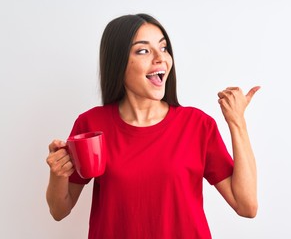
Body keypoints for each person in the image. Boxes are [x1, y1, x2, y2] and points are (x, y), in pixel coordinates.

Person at [46, 13, 260, 239]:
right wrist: (57, 174)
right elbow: (59, 210)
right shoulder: (91, 125)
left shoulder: (197, 125)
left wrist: (237, 122)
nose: (161, 58)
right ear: (118, 62)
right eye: (143, 50)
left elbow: (246, 206)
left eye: (164, 48)